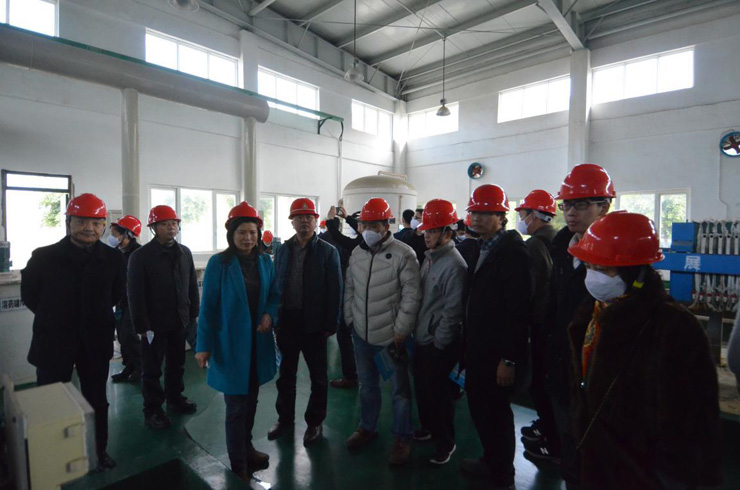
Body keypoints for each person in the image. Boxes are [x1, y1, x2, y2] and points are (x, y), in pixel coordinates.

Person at [567, 211, 722, 489]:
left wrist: (674, 476)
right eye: (589, 266)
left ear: (635, 273)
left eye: (603, 269)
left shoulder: (673, 326)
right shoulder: (594, 311)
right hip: (594, 459)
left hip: (643, 472)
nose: (593, 276)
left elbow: (694, 417)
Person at [21, 193, 124, 472]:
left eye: (96, 223)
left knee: (96, 398)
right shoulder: (44, 257)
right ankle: (51, 457)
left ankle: (97, 451)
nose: (89, 228)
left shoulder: (114, 259)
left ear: (104, 225)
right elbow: (30, 295)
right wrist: (55, 317)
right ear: (69, 222)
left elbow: (115, 294)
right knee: (51, 399)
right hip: (53, 340)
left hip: (95, 340)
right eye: (81, 221)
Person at [195, 202, 279, 481]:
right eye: (242, 232)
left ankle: (247, 447)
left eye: (253, 232)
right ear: (231, 234)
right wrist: (203, 346)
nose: (248, 238)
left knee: (251, 400)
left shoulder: (265, 262)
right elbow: (208, 307)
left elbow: (274, 295)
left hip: (257, 345)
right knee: (235, 407)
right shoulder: (219, 264)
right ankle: (238, 464)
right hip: (230, 345)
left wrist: (269, 314)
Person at [543, 163, 615, 487]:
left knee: (598, 457)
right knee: (570, 448)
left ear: (605, 206)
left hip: (602, 377)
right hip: (563, 367)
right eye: (567, 204)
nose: (571, 212)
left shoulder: (619, 254)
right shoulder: (562, 247)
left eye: (582, 204)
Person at [460, 184, 531, 490]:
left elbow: (518, 311)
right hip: (478, 348)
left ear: (501, 217)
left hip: (498, 354)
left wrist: (509, 359)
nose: (477, 218)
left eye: (486, 213)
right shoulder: (480, 247)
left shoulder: (513, 253)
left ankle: (504, 477)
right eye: (474, 212)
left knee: (497, 414)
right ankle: (490, 460)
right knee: (481, 409)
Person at [343, 198, 421, 466]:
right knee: (367, 386)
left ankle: (402, 437)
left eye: (374, 225)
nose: (368, 230)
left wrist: (401, 329)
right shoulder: (357, 253)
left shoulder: (404, 254)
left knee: (400, 392)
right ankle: (367, 427)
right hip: (361, 334)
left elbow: (412, 295)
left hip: (391, 338)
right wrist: (350, 318)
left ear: (386, 226)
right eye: (364, 224)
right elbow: (350, 287)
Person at [268, 198, 342, 446]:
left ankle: (315, 422)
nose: (304, 221)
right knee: (286, 375)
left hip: (314, 323)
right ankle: (284, 419)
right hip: (287, 322)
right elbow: (275, 284)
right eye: (299, 217)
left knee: (318, 377)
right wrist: (275, 317)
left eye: (309, 217)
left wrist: (331, 324)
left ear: (315, 221)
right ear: (292, 222)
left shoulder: (328, 252)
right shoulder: (282, 250)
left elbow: (335, 290)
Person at [128, 205, 200, 429]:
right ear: (153, 227)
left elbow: (191, 285)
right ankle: (153, 410)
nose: (171, 228)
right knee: (151, 369)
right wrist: (141, 324)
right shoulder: (140, 256)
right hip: (153, 324)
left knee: (177, 363)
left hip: (179, 320)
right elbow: (135, 293)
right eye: (164, 224)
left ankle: (175, 399)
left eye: (174, 223)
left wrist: (193, 313)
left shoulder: (184, 252)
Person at [412, 199, 467, 465]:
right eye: (426, 230)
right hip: (422, 338)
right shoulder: (430, 258)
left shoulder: (455, 265)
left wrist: (439, 343)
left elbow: (452, 312)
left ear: (448, 232)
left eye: (432, 230)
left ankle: (446, 442)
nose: (426, 235)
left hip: (438, 344)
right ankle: (428, 428)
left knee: (440, 396)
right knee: (424, 391)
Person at [513, 191, 559, 464]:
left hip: (540, 326)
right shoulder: (558, 240)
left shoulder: (534, 246)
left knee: (540, 384)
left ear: (534, 216)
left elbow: (531, 290)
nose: (520, 219)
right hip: (554, 325)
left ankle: (552, 441)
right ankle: (546, 427)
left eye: (522, 214)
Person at [321, 205, 359, 389]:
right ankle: (354, 375)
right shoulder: (360, 243)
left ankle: (351, 376)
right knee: (347, 335)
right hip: (350, 292)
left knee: (343, 334)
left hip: (340, 292)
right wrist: (348, 218)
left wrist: (332, 221)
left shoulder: (325, 240)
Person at [109, 215, 143, 383]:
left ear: (128, 234)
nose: (112, 238)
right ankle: (129, 366)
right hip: (120, 301)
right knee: (122, 337)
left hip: (134, 302)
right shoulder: (117, 253)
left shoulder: (139, 254)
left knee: (130, 336)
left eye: (115, 234)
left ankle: (140, 368)